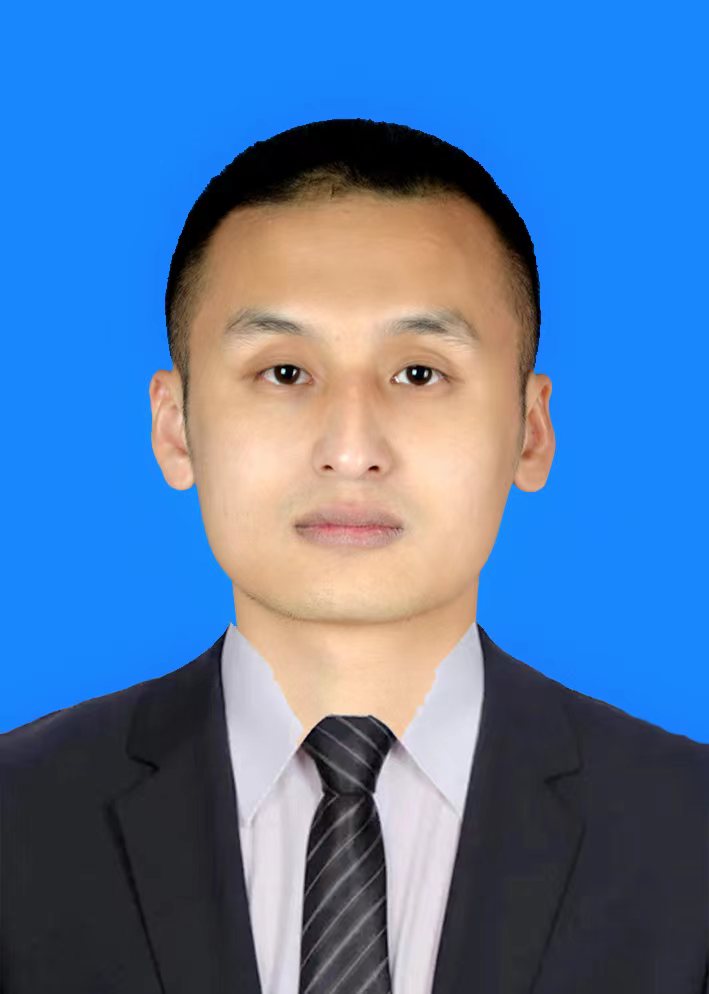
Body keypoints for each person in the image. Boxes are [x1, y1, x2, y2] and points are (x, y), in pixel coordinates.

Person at [1, 118, 707, 994]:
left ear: (529, 431)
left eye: (418, 373)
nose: (349, 448)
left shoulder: (688, 834)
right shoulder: (18, 819)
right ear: (175, 425)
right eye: (284, 373)